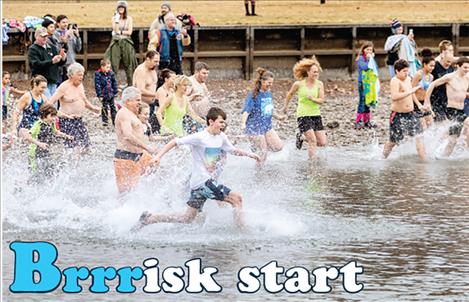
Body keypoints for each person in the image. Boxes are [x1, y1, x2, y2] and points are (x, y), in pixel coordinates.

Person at [135, 107, 261, 229]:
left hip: (201, 183)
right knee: (237, 199)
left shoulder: (221, 137)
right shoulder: (200, 137)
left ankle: (149, 219)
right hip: (202, 182)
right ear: (211, 122)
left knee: (187, 218)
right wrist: (158, 157)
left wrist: (251, 155)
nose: (223, 125)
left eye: (224, 122)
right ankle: (242, 231)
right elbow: (175, 142)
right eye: (221, 122)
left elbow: (232, 150)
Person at [113, 87, 158, 195]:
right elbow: (128, 136)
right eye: (137, 100)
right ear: (128, 101)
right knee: (127, 194)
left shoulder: (132, 113)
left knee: (156, 164)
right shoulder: (123, 113)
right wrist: (148, 148)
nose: (140, 102)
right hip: (126, 157)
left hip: (140, 156)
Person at [281, 56, 327, 159]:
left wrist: (313, 99)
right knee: (312, 141)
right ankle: (312, 165)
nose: (316, 74)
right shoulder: (298, 84)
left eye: (317, 72)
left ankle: (301, 137)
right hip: (303, 115)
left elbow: (321, 100)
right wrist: (285, 106)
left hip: (316, 114)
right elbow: (290, 94)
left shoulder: (319, 84)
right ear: (308, 72)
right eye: (314, 72)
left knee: (322, 142)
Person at [48, 63, 101, 150]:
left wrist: (95, 109)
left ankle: (82, 163)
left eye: (82, 75)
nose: (81, 77)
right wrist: (59, 114)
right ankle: (70, 163)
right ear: (71, 75)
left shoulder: (80, 85)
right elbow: (50, 103)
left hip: (79, 120)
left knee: (86, 146)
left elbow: (84, 101)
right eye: (79, 75)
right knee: (74, 148)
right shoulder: (63, 87)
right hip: (66, 121)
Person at [424, 57, 469, 157]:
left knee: (456, 138)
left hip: (463, 109)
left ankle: (445, 157)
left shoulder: (467, 77)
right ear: (458, 66)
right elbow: (432, 84)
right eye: (465, 67)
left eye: (468, 68)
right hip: (452, 110)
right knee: (456, 137)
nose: (467, 70)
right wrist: (427, 102)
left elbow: (462, 92)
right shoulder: (450, 77)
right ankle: (443, 156)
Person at [383, 59, 426, 160]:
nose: (406, 73)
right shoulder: (395, 81)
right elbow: (394, 96)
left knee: (419, 136)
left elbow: (411, 93)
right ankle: (382, 158)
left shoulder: (408, 79)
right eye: (404, 71)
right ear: (397, 71)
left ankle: (424, 163)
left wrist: (419, 105)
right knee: (393, 141)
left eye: (407, 71)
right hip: (398, 115)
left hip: (411, 114)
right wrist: (410, 91)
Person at [241, 68, 284, 163]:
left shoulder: (268, 93)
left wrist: (278, 116)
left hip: (266, 126)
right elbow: (246, 111)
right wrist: (243, 123)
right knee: (263, 153)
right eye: (268, 82)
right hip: (254, 126)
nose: (270, 85)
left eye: (272, 83)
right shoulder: (253, 94)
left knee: (278, 147)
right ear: (262, 81)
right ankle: (258, 174)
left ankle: (257, 148)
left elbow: (268, 109)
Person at [27, 104, 73, 180]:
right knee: (34, 173)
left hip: (45, 151)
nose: (54, 118)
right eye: (52, 116)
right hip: (34, 152)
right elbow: (28, 137)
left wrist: (67, 136)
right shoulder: (38, 125)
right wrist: (39, 144)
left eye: (55, 116)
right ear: (44, 115)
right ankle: (22, 186)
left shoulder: (51, 124)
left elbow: (56, 132)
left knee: (48, 171)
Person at [105, 0, 138, 86]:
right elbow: (115, 30)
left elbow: (130, 32)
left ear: (125, 8)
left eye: (122, 7)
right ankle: (113, 85)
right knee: (114, 63)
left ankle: (131, 84)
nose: (121, 9)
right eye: (119, 7)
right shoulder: (114, 18)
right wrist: (116, 20)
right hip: (116, 41)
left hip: (127, 41)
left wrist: (121, 32)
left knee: (129, 63)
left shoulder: (129, 18)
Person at [28, 27, 66, 99]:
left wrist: (63, 58)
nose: (45, 38)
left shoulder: (52, 47)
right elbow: (36, 64)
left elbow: (59, 64)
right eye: (42, 36)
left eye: (46, 36)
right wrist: (51, 62)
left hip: (53, 80)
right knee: (47, 103)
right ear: (36, 36)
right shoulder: (33, 49)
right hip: (40, 81)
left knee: (54, 103)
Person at [11, 75, 48, 141]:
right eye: (42, 87)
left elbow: (51, 110)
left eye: (45, 88)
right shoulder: (27, 96)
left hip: (37, 128)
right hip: (26, 128)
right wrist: (14, 128)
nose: (44, 90)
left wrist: (65, 115)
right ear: (35, 85)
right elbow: (16, 112)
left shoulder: (43, 98)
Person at [132, 50, 159, 132]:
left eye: (158, 61)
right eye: (155, 61)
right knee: (142, 131)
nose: (157, 64)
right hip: (142, 105)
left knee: (151, 130)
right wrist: (155, 95)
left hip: (151, 104)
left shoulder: (152, 69)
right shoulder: (141, 71)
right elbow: (140, 89)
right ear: (147, 59)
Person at [355, 41, 380, 129]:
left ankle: (367, 121)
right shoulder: (361, 59)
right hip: (362, 83)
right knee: (362, 101)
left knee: (368, 101)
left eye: (371, 50)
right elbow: (365, 67)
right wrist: (369, 59)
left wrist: (371, 59)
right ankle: (358, 121)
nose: (369, 51)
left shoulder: (371, 59)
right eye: (367, 49)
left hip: (370, 84)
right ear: (363, 50)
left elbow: (375, 68)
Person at [430, 40, 455, 122]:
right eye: (450, 51)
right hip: (436, 100)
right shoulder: (434, 66)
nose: (452, 53)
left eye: (452, 51)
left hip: (448, 100)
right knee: (440, 124)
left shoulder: (451, 66)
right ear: (443, 52)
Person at [411, 49, 435, 129]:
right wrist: (418, 104)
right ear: (424, 64)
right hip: (416, 103)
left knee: (431, 125)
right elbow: (411, 91)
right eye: (430, 66)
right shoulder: (418, 75)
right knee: (423, 127)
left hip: (425, 103)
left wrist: (429, 107)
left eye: (433, 66)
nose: (432, 68)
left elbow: (428, 93)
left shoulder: (431, 77)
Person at [185, 62, 211, 134]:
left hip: (202, 117)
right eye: (204, 73)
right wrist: (192, 97)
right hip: (191, 118)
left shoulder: (202, 82)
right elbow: (181, 99)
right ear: (196, 72)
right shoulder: (189, 82)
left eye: (207, 73)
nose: (206, 76)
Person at [54, 15, 82, 81]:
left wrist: (77, 36)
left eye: (66, 22)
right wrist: (65, 36)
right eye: (63, 22)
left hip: (72, 63)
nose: (65, 24)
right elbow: (58, 49)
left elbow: (78, 49)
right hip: (61, 65)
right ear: (58, 23)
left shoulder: (71, 33)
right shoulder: (55, 34)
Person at [95, 59, 118, 126]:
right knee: (104, 107)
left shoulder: (111, 73)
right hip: (104, 94)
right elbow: (97, 85)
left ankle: (114, 120)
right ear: (102, 66)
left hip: (111, 93)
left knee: (113, 107)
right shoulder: (98, 74)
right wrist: (99, 94)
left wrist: (115, 91)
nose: (108, 69)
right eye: (107, 67)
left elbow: (114, 82)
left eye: (109, 67)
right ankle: (105, 121)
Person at [154, 68, 176, 133]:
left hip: (168, 118)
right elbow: (162, 109)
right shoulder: (161, 91)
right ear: (166, 79)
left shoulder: (171, 90)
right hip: (159, 120)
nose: (175, 81)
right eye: (173, 79)